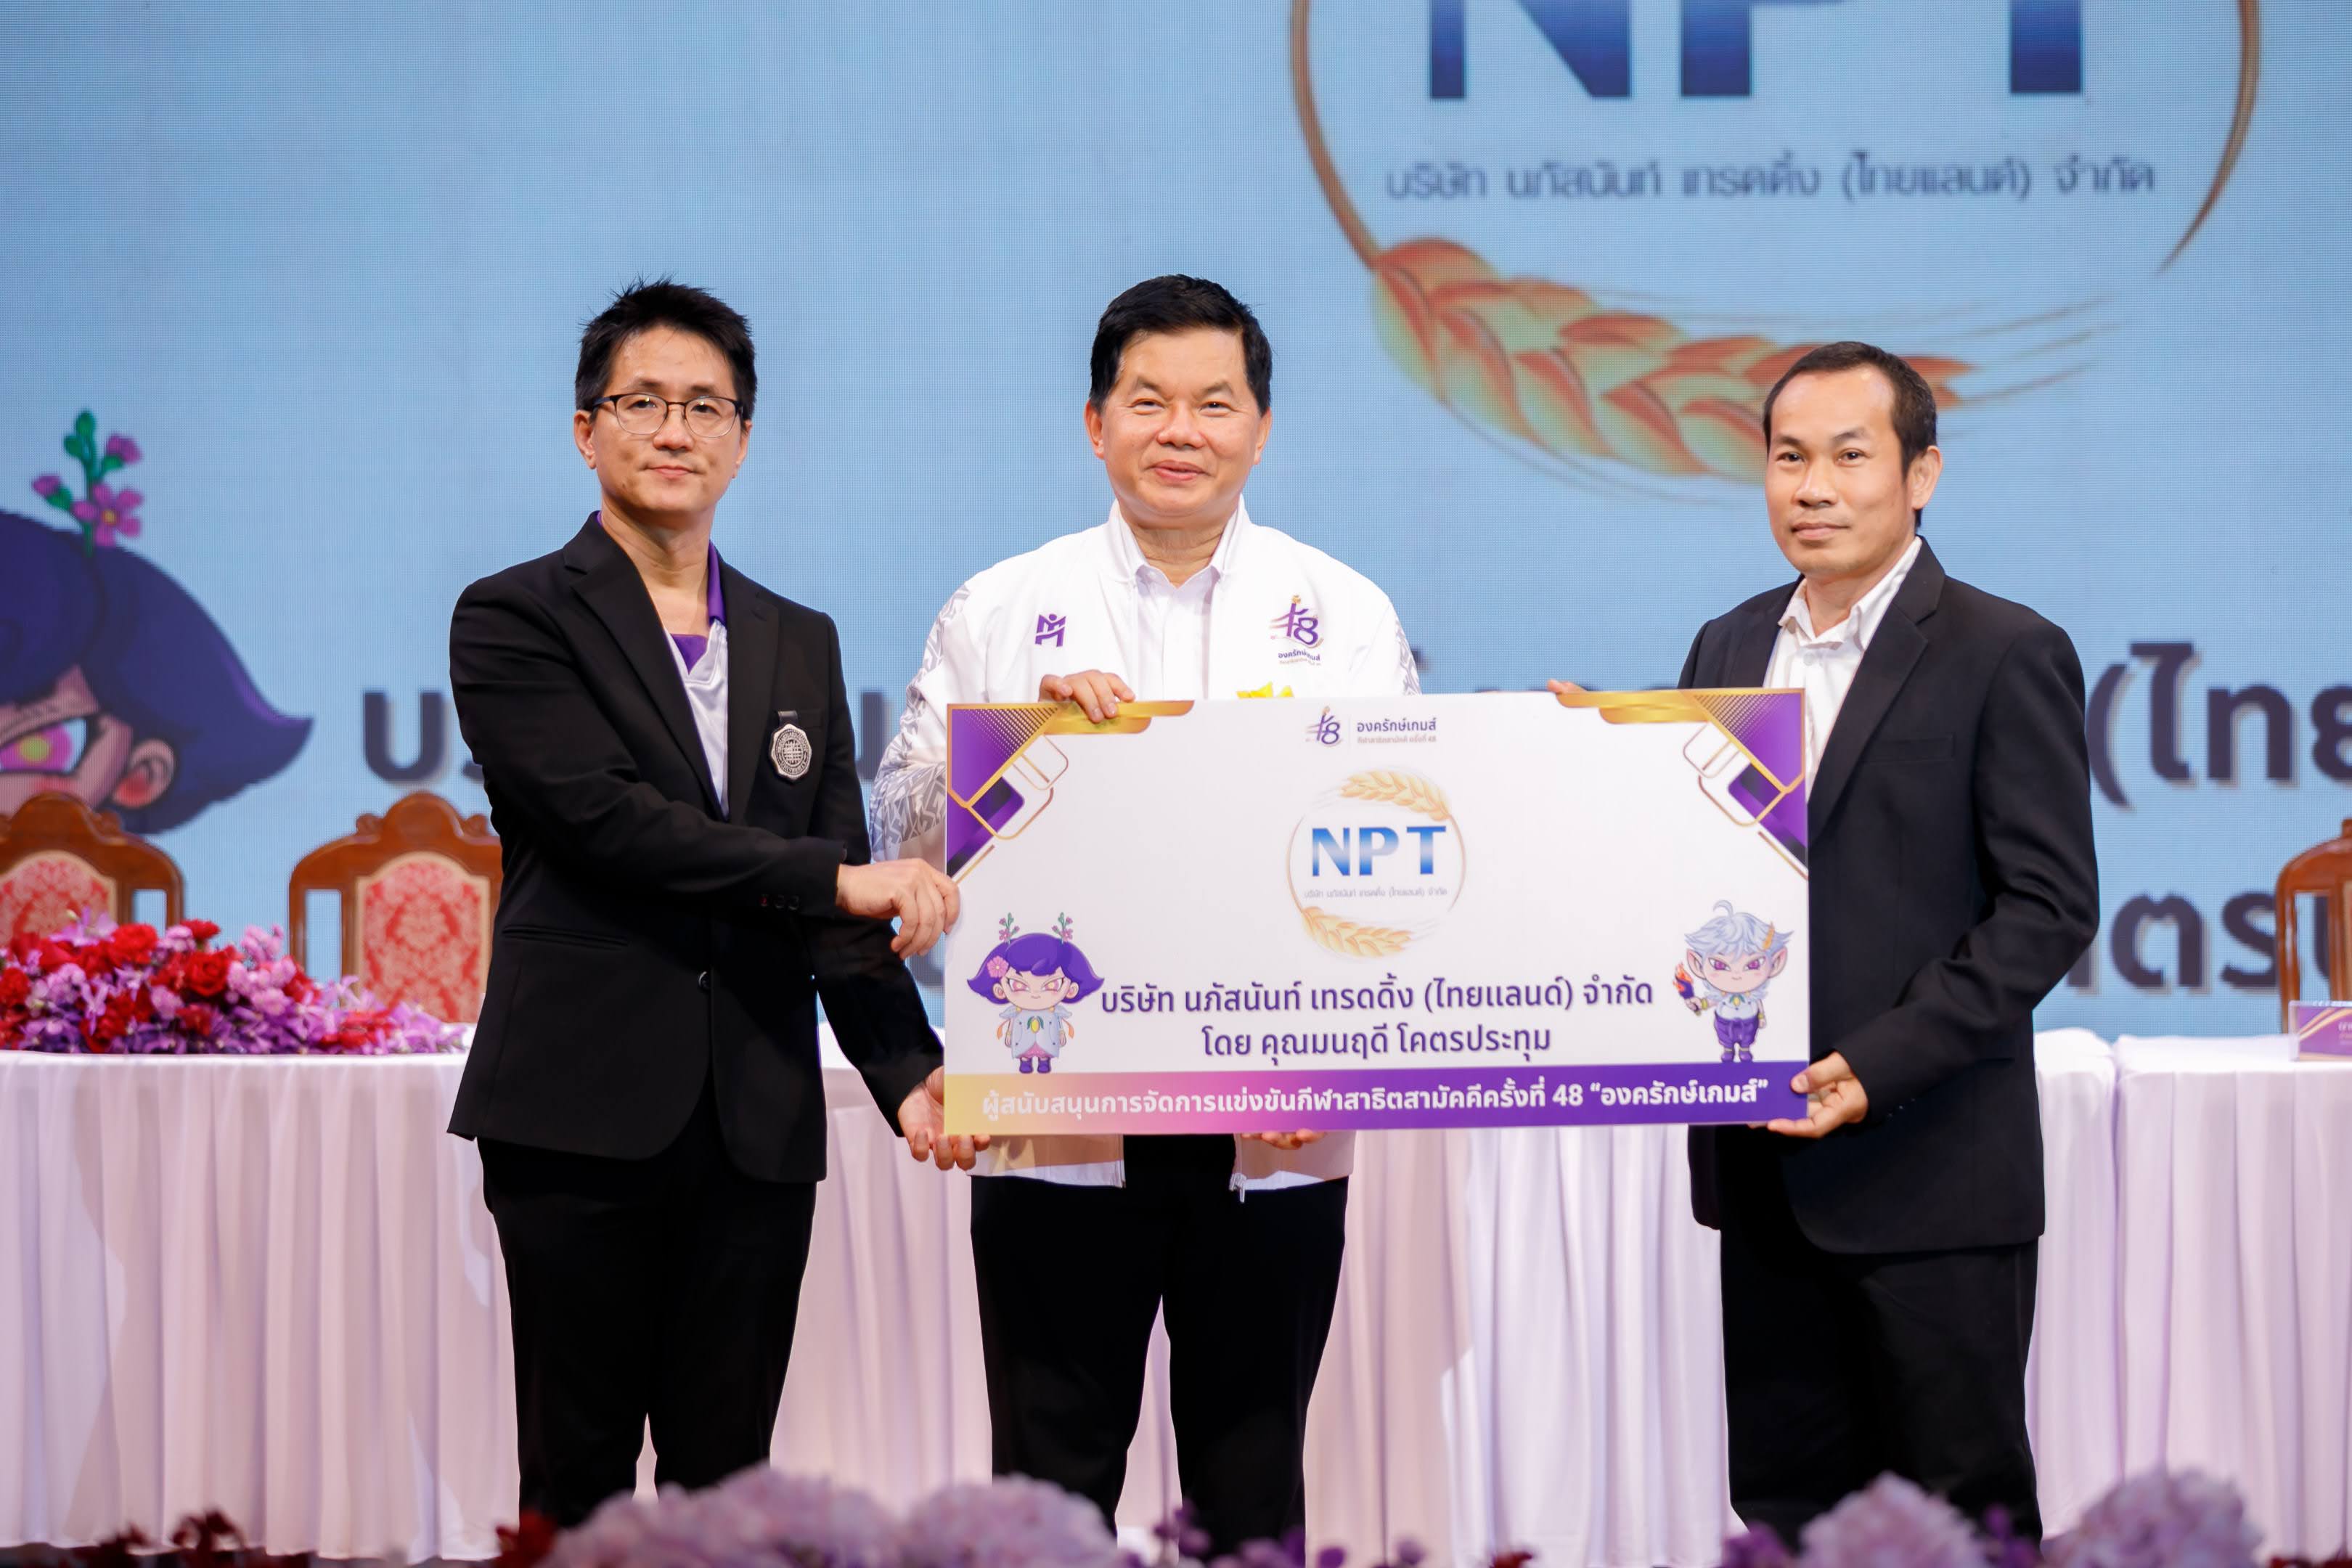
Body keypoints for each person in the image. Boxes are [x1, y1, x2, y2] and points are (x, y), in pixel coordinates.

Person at [869, 275, 1418, 1552]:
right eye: (1148, 401)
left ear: (1261, 429)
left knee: (1252, 1498)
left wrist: (1340, 1065)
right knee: (1048, 1496)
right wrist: (1013, 746)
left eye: (1214, 404)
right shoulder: (1001, 609)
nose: (1181, 431)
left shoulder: (1345, 616)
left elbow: (1395, 870)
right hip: (1057, 1123)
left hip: (1277, 1128)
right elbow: (896, 838)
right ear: (1095, 423)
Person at [446, 278, 976, 1527]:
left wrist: (908, 1071)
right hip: (578, 1107)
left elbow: (835, 882)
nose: (675, 430)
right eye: (643, 403)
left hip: (754, 1113)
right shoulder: (515, 616)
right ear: (587, 430)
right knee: (575, 1481)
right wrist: (834, 878)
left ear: (743, 438)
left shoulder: (799, 638)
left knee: (728, 1487)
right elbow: (609, 824)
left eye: (706, 406)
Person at [1613, 340, 2097, 1543]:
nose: (1813, 488)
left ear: (1922, 473)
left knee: (1962, 1520)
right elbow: (1698, 879)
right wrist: (1598, 773)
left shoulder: (2003, 648)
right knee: (1788, 1519)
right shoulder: (1727, 646)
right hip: (1763, 1170)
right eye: (1788, 458)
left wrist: (1876, 1065)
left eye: (1848, 456)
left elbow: (2047, 907)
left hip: (1933, 1172)